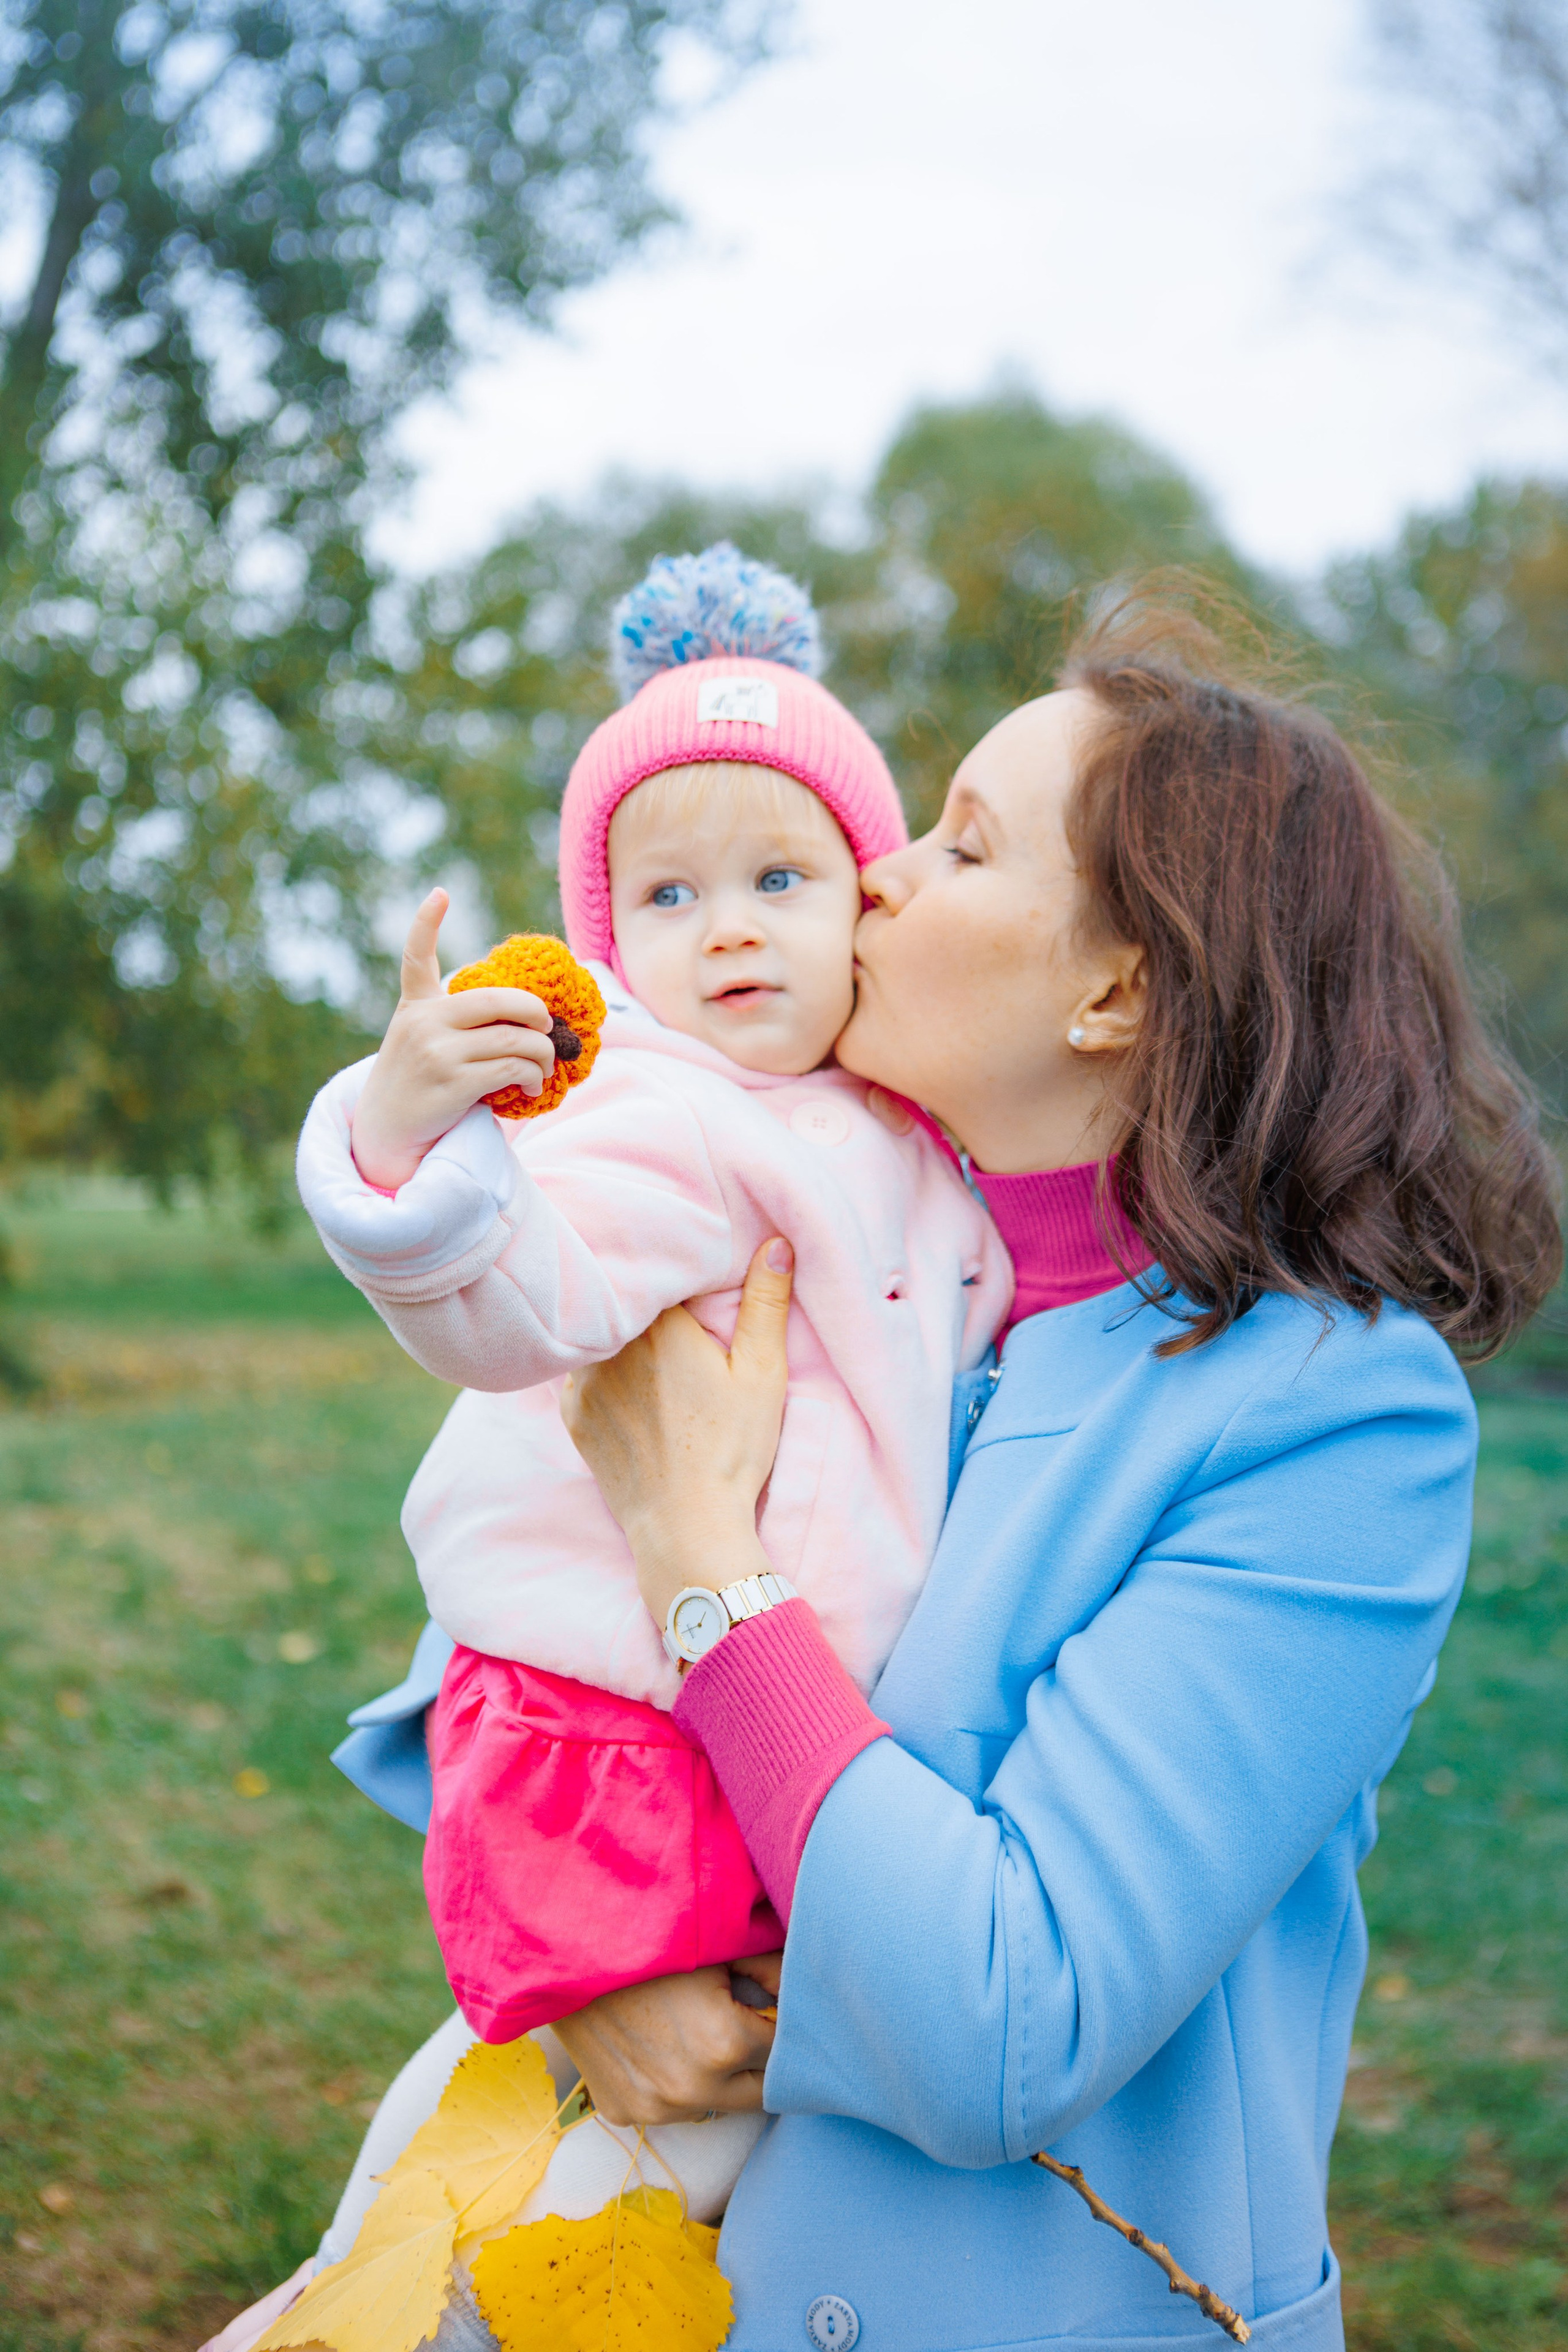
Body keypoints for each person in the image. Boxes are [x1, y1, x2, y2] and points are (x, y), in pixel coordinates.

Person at [216, 590, 1559, 2352]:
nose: (876, 877)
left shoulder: (1329, 1418)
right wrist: (586, 1948)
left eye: (962, 842)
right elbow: (528, 1592)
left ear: (1117, 987)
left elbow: (1003, 2014)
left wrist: (695, 1542)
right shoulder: (888, 1252)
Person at [290, 546, 1014, 2244]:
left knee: (646, 2130)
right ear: (612, 942)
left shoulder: (906, 1131)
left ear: (866, 898)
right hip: (613, 1714)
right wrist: (407, 1158)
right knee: (632, 2143)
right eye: (669, 900)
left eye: (781, 873)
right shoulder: (658, 1120)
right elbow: (519, 1302)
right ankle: (368, 2282)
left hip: (745, 1704)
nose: (734, 927)